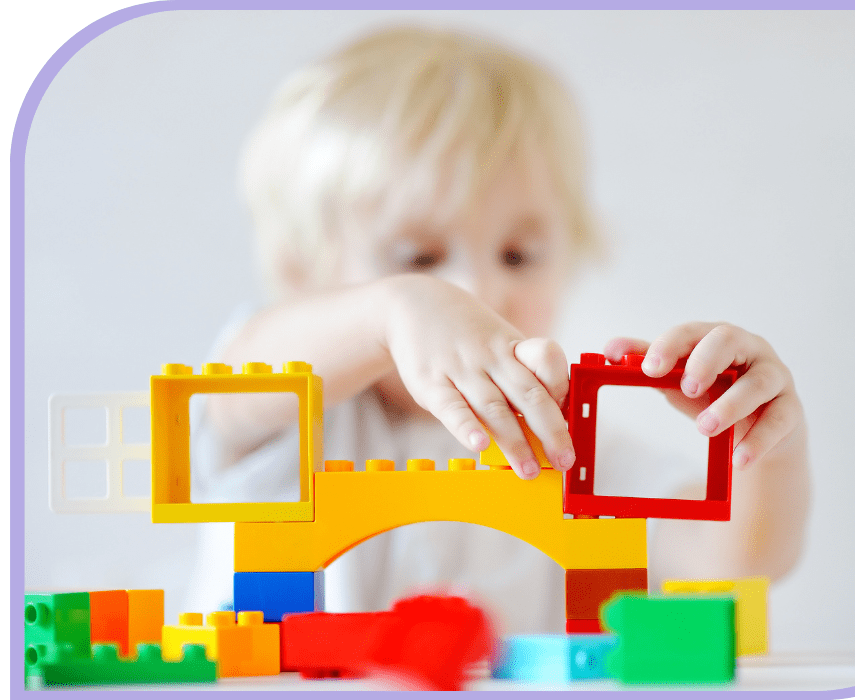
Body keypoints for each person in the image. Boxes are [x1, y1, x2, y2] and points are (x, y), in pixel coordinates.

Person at [184, 26, 810, 635]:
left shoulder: (575, 450)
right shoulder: (300, 424)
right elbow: (229, 390)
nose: (478, 291)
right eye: (418, 259)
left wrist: (759, 448)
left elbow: (735, 561)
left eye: (518, 256)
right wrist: (391, 314)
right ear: (304, 276)